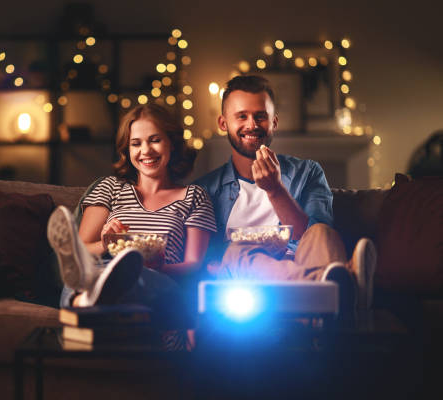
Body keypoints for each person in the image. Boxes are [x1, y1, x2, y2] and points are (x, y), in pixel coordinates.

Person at [193, 75, 377, 314]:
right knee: (236, 250)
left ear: (274, 122)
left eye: (260, 116)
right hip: (243, 289)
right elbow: (207, 261)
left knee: (321, 232)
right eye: (241, 116)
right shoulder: (205, 190)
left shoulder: (307, 172)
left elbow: (313, 237)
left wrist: (275, 190)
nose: (252, 125)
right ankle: (343, 288)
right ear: (223, 123)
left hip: (300, 262)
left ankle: (325, 293)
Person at [47, 104, 216, 318]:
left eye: (155, 140)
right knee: (90, 275)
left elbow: (193, 264)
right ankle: (87, 296)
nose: (146, 151)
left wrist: (160, 266)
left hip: (158, 276)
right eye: (136, 143)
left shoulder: (194, 196)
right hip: (104, 268)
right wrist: (106, 243)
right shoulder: (110, 187)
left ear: (172, 143)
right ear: (127, 150)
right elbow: (81, 249)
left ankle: (89, 299)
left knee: (136, 278)